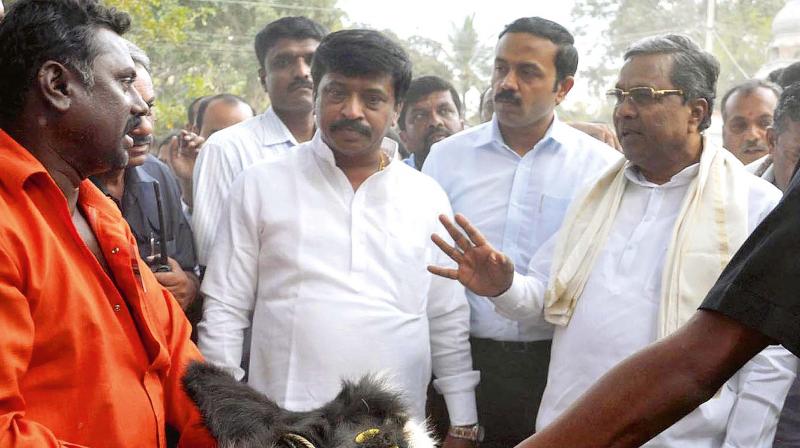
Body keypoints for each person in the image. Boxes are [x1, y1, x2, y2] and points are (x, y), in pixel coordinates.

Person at [429, 34, 795, 447]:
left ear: (696, 111)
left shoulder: (754, 205)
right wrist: (503, 286)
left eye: (643, 95)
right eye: (619, 95)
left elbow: (768, 357)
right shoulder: (594, 194)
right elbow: (546, 304)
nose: (623, 110)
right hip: (570, 432)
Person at [198, 29, 480, 448]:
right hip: (283, 425)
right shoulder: (260, 184)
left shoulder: (426, 196)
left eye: (372, 99)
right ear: (316, 94)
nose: (352, 111)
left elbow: (445, 317)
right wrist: (225, 416)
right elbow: (225, 308)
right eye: (337, 93)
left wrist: (463, 420)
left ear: (396, 107)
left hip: (396, 429)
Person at [0, 0, 213, 446]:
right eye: (124, 83)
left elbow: (176, 356)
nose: (140, 107)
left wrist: (257, 430)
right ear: (58, 85)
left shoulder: (99, 213)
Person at [421, 17, 620, 448]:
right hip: (460, 363)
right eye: (500, 68)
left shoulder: (600, 168)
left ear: (563, 88)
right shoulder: (446, 158)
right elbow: (429, 270)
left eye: (528, 72)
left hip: (557, 366)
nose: (506, 83)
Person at [192, 16, 327, 266]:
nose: (302, 72)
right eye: (283, 62)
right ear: (263, 78)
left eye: (312, 60)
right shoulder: (226, 149)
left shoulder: (346, 149)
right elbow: (214, 257)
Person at [90, 41, 200, 312]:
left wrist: (187, 285)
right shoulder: (64, 185)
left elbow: (187, 267)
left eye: (148, 108)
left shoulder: (159, 174)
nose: (145, 127)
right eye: (129, 113)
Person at [398, 76, 464, 170]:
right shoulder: (393, 182)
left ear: (462, 125)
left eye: (444, 111)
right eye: (420, 116)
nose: (435, 122)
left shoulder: (485, 170)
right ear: (404, 139)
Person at [721, 79, 781, 165]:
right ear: (724, 134)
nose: (752, 136)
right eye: (739, 126)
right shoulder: (705, 177)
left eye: (765, 124)